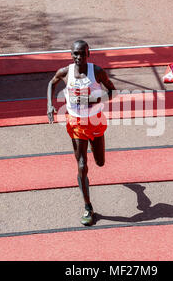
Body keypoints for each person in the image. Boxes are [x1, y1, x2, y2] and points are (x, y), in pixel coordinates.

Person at [47, 40, 116, 226]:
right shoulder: (65, 72)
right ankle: (88, 207)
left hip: (95, 120)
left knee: (100, 162)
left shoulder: (98, 71)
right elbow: (51, 83)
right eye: (75, 54)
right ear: (71, 55)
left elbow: (112, 91)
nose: (78, 58)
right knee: (82, 164)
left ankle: (94, 146)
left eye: (82, 54)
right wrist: (49, 105)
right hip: (76, 122)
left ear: (88, 54)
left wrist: (92, 99)